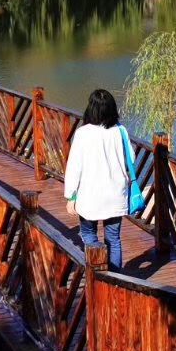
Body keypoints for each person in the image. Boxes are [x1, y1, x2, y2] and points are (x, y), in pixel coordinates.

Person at [63, 88, 131, 270]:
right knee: (113, 239)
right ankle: (115, 279)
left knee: (89, 235)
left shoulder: (83, 133)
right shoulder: (121, 131)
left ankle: (96, 275)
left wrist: (71, 196)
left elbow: (74, 167)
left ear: (90, 109)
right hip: (116, 194)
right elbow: (130, 160)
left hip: (90, 196)